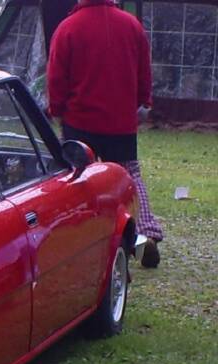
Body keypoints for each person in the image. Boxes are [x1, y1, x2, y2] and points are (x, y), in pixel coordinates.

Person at [47, 0, 163, 267]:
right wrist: (141, 101)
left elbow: (56, 76)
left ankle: (80, 237)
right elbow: (143, 71)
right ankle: (146, 234)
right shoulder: (132, 25)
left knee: (78, 180)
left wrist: (57, 109)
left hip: (79, 120)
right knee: (129, 176)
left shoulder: (68, 28)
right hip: (120, 120)